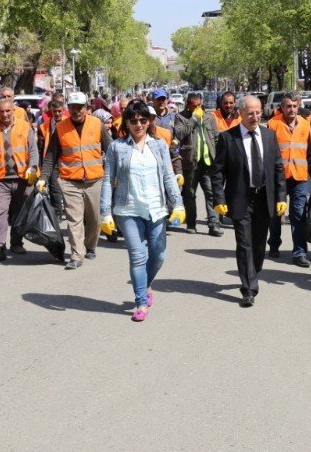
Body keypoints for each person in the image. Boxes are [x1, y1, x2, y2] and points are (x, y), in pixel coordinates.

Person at [100, 101, 187, 321]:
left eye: (142, 120)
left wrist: (178, 204)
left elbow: (168, 176)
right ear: (126, 123)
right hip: (127, 209)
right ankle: (140, 302)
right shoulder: (117, 147)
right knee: (137, 257)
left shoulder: (158, 146)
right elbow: (108, 181)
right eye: (133, 120)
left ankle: (145, 284)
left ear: (148, 122)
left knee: (158, 255)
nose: (138, 124)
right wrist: (105, 212)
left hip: (156, 209)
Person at [210, 95, 287, 307]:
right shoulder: (228, 138)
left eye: (258, 112)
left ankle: (254, 271)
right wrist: (219, 198)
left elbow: (278, 169)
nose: (254, 117)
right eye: (250, 113)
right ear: (240, 113)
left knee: (259, 243)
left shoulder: (270, 136)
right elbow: (217, 172)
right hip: (240, 198)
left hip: (264, 197)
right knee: (244, 243)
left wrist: (281, 196)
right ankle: (249, 289)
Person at [38, 91, 112, 269]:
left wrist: (116, 173)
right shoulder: (61, 128)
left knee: (94, 219)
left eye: (80, 107)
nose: (76, 111)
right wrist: (43, 178)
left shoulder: (97, 124)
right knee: (74, 218)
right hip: (70, 180)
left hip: (95, 180)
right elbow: (51, 156)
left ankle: (90, 246)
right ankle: (77, 254)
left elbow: (111, 149)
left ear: (86, 108)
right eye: (72, 107)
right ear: (68, 109)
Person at [0, 97, 39, 261]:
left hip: (22, 179)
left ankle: (16, 243)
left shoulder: (25, 127)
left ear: (13, 111)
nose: (5, 114)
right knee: (0, 212)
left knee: (20, 213)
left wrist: (33, 168)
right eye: (2, 111)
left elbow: (33, 151)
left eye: (8, 111)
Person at [266, 91, 311, 267]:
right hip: (278, 179)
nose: (291, 109)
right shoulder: (272, 124)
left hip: (299, 177)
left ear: (298, 107)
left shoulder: (305, 125)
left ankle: (299, 252)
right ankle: (274, 244)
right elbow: (266, 155)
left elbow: (310, 153)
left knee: (299, 215)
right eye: (288, 106)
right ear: (281, 108)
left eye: (294, 106)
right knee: (276, 214)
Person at [177, 92, 222, 236]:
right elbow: (179, 134)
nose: (196, 108)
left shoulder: (209, 117)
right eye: (193, 106)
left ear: (202, 103)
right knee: (189, 194)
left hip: (208, 163)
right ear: (188, 105)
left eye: (198, 105)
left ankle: (214, 224)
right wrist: (193, 120)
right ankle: (191, 223)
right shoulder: (181, 117)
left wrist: (218, 157)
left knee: (211, 193)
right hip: (191, 163)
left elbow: (216, 137)